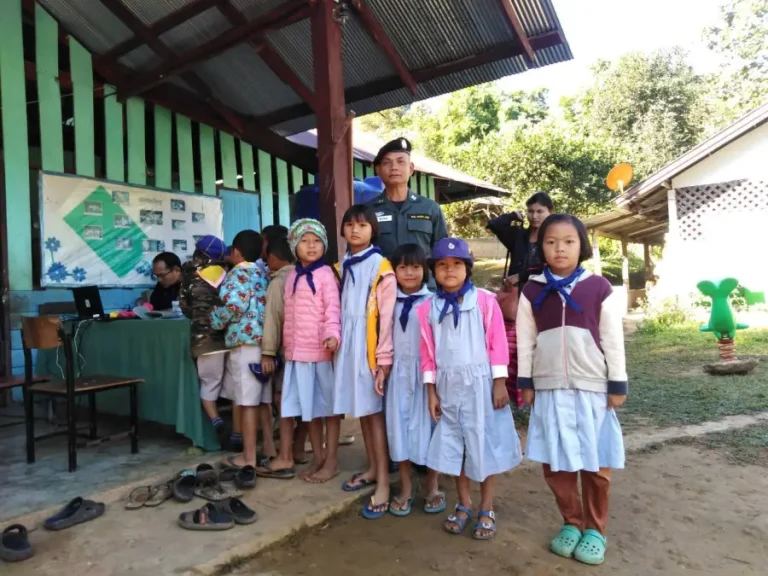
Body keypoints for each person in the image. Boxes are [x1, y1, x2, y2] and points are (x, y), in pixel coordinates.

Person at [516, 214, 627, 566]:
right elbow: (525, 340)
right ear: (541, 247)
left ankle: (595, 530)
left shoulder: (598, 287)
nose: (559, 249)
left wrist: (617, 382)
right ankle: (571, 522)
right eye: (551, 242)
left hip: (592, 389)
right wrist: (526, 382)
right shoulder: (531, 290)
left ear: (582, 245)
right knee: (556, 463)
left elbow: (612, 339)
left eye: (568, 241)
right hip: (549, 389)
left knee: (596, 464)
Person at [417, 237, 523, 540]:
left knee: (483, 444)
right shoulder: (427, 309)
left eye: (456, 264)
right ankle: (464, 503)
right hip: (448, 387)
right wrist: (431, 391)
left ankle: (486, 507)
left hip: (481, 386)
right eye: (442, 265)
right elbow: (428, 354)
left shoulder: (485, 302)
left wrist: (499, 383)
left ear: (468, 268)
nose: (449, 270)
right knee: (457, 447)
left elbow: (498, 343)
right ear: (434, 271)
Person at [333, 205, 396, 519]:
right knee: (364, 414)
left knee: (375, 417)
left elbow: (386, 318)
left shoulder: (380, 266)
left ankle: (383, 482)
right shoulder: (343, 264)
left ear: (374, 229)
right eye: (349, 225)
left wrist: (382, 360)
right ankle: (372, 468)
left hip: (369, 351)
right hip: (349, 347)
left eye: (362, 225)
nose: (355, 230)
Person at [256, 232, 326, 479]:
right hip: (310, 352)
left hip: (292, 353)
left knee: (285, 402)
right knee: (306, 404)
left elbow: (273, 320)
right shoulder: (305, 276)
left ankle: (286, 454)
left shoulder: (280, 281)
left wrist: (267, 352)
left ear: (275, 258)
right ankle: (297, 449)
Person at [385, 243, 445, 517]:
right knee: (399, 430)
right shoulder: (388, 302)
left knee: (430, 430)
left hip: (426, 378)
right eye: (402, 267)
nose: (409, 273)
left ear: (425, 270)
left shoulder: (433, 303)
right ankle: (406, 487)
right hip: (398, 377)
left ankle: (432, 485)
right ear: (394, 271)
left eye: (416, 267)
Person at [211, 230, 269, 474]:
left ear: (236, 251)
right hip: (264, 346)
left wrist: (215, 320)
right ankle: (266, 451)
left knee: (247, 404)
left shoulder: (236, 274)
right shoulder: (262, 274)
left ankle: (248, 457)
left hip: (244, 345)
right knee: (260, 400)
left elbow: (233, 305)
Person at [178, 235, 240, 449]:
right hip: (230, 339)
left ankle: (216, 421)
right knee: (234, 387)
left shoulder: (189, 277)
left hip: (204, 340)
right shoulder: (229, 275)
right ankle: (238, 433)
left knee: (209, 384)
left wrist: (199, 316)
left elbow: (185, 307)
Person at [365, 138, 448, 262]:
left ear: (411, 168)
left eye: (400, 162)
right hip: (380, 274)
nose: (394, 167)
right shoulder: (367, 211)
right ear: (378, 170)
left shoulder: (430, 208)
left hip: (422, 275)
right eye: (387, 162)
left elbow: (443, 254)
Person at [486, 191, 554, 283]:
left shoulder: (555, 239)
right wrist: (512, 216)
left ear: (550, 212)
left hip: (543, 289)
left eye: (539, 211)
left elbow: (553, 268)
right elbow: (494, 224)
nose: (534, 216)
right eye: (530, 211)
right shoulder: (517, 236)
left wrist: (521, 276)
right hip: (515, 290)